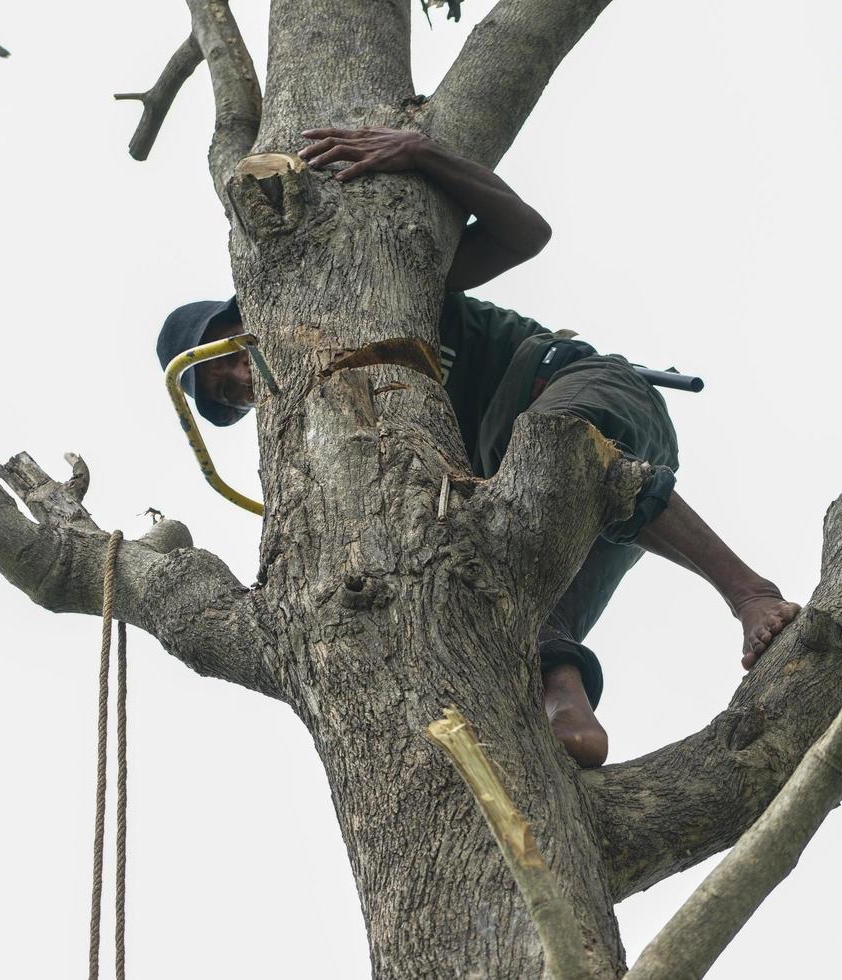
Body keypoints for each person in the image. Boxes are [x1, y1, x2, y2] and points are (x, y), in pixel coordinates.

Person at [157, 128, 800, 769]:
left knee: (558, 446)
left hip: (574, 390)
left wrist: (421, 153)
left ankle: (749, 594)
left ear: (253, 312)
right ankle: (567, 717)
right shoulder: (325, 434)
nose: (244, 380)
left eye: (232, 356)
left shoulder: (387, 298)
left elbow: (525, 234)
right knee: (500, 592)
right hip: (530, 492)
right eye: (228, 393)